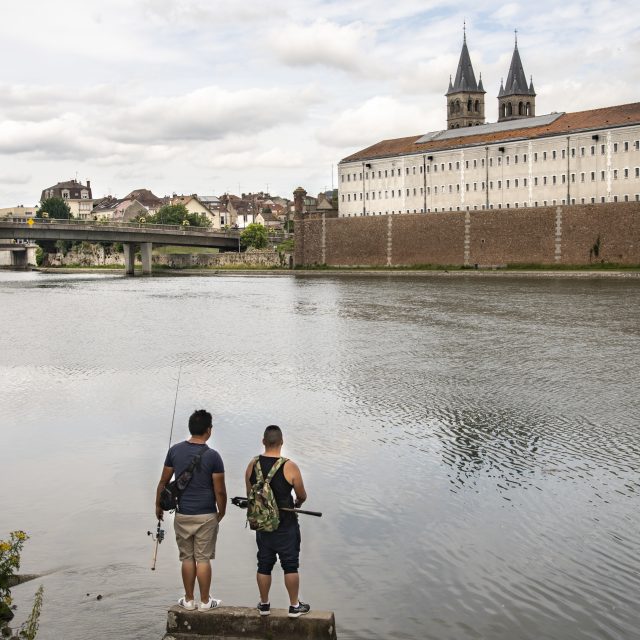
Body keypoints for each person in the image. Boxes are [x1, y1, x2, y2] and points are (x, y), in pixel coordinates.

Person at [156, 409, 227, 611]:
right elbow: (220, 491)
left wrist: (158, 505)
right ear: (208, 430)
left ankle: (188, 600)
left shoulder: (175, 451)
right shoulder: (214, 456)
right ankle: (205, 602)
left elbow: (163, 482)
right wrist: (221, 512)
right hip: (206, 514)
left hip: (182, 513)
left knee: (187, 558)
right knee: (203, 559)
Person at [244, 425, 310, 618]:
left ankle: (264, 605)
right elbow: (301, 494)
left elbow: (250, 494)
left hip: (263, 525)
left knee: (264, 563)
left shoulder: (252, 464)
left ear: (263, 441)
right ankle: (294, 606)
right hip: (286, 524)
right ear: (282, 442)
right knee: (290, 564)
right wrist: (298, 502)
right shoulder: (289, 466)